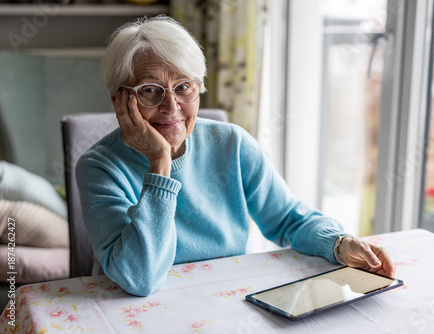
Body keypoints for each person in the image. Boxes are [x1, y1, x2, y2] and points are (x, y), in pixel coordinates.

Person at [76, 16, 395, 297]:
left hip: (226, 302)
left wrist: (340, 244)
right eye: (150, 90)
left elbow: (287, 220)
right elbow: (138, 278)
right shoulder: (99, 167)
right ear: (119, 99)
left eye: (183, 87)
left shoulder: (233, 144)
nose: (171, 107)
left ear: (198, 87)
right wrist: (161, 164)